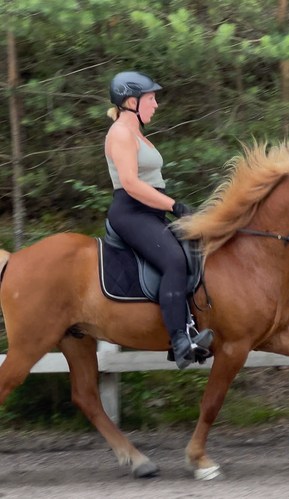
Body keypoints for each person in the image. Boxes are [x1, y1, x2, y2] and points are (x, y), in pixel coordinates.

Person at [104, 71, 210, 369]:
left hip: (149, 212)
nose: (156, 105)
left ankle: (192, 325)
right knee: (173, 261)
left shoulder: (137, 133)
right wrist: (173, 205)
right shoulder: (121, 134)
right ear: (131, 101)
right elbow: (131, 184)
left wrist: (167, 207)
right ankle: (179, 341)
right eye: (151, 98)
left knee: (195, 249)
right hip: (131, 213)